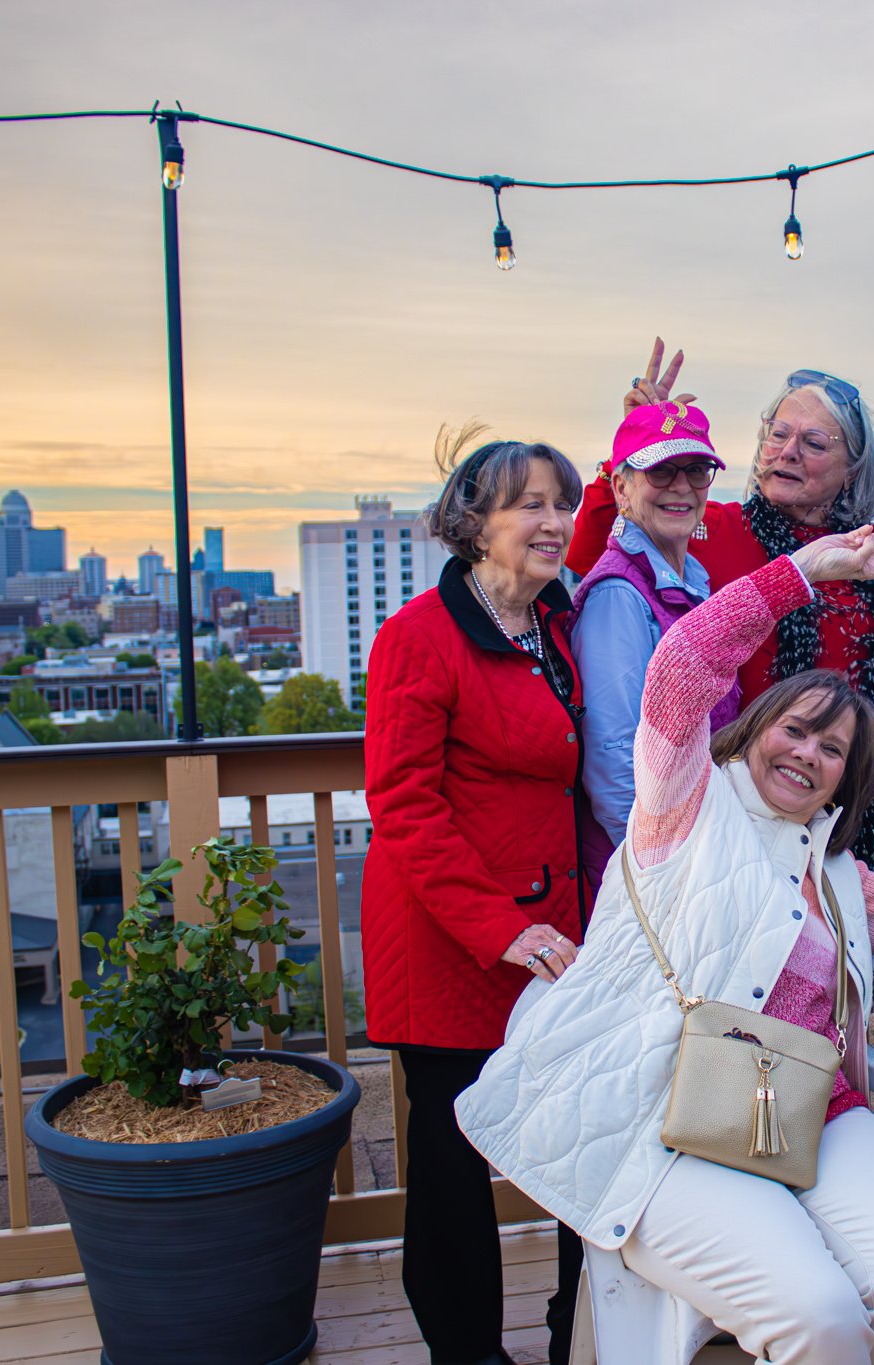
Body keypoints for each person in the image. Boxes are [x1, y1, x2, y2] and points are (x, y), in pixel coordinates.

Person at [459, 530, 874, 1365]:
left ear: (846, 779)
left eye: (833, 750)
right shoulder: (681, 808)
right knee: (819, 1315)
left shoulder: (837, 876)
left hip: (807, 1110)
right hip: (665, 1121)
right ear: (758, 727)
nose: (809, 754)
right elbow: (681, 668)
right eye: (797, 730)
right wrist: (803, 573)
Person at [361, 434, 588, 1365]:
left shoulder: (551, 619)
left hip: (553, 932)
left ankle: (581, 1329)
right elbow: (403, 807)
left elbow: (607, 516)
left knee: (582, 1137)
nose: (552, 521)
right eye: (526, 504)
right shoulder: (420, 636)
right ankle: (467, 1354)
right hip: (452, 940)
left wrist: (631, 434)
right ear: (473, 524)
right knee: (454, 1166)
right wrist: (503, 930)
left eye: (560, 504)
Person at [565, 339, 874, 866]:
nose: (787, 451)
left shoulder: (867, 553)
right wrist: (636, 447)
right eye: (778, 434)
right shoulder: (714, 526)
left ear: (852, 470)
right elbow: (592, 553)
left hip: (839, 817)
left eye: (814, 442)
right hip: (734, 822)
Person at [571, 400, 731, 895]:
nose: (681, 486)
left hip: (701, 856)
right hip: (656, 878)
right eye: (660, 471)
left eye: (697, 469)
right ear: (620, 487)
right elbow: (612, 757)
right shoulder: (619, 594)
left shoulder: (695, 583)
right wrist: (657, 875)